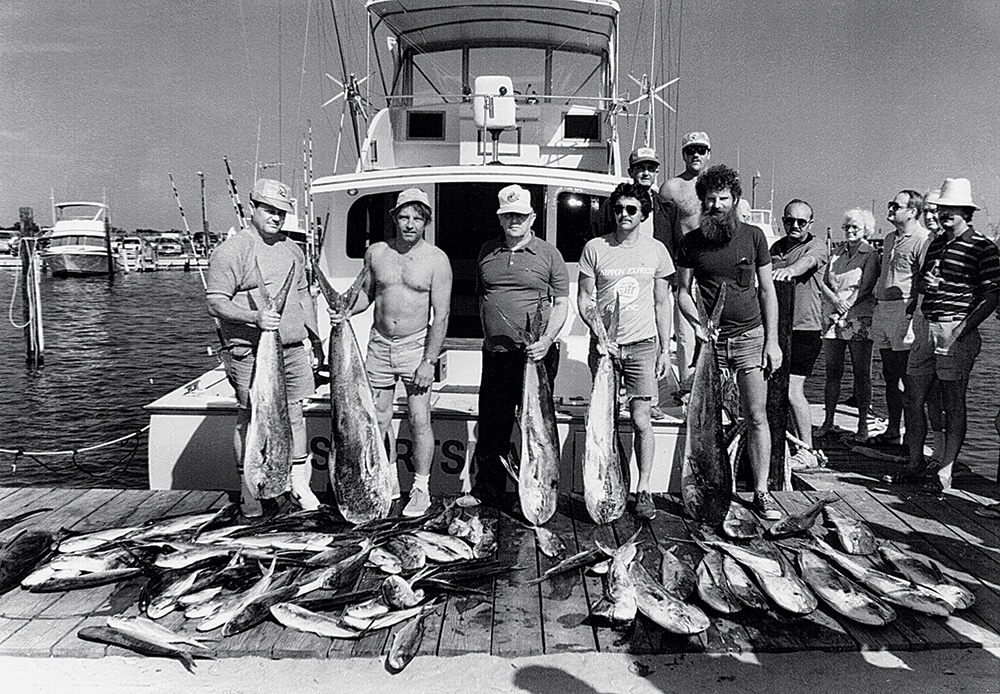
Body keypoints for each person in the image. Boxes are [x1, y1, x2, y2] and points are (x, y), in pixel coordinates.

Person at [331, 189, 453, 517]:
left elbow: (440, 316)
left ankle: (421, 489)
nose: (410, 224)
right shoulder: (377, 253)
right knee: (377, 419)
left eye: (417, 218)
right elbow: (366, 295)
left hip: (416, 347)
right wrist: (344, 312)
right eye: (404, 217)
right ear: (394, 218)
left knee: (418, 419)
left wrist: (429, 360)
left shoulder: (437, 260)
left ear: (426, 221)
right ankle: (384, 481)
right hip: (379, 346)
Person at [206, 178, 324, 516]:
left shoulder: (293, 250)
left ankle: (299, 484)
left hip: (290, 348)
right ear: (252, 208)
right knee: (250, 418)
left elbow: (302, 296)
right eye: (269, 210)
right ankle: (250, 492)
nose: (276, 217)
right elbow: (215, 302)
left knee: (296, 414)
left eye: (282, 212)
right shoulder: (232, 250)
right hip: (249, 350)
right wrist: (254, 317)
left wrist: (314, 338)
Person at [676, 165, 783, 520]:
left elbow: (767, 291)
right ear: (703, 202)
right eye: (711, 199)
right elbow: (682, 294)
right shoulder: (690, 242)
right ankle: (710, 487)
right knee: (707, 422)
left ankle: (762, 491)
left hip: (751, 338)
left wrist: (773, 342)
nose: (717, 205)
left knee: (756, 417)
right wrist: (699, 325)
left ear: (735, 200)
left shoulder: (753, 237)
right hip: (712, 344)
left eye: (724, 199)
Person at [578, 182, 674, 520]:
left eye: (631, 209)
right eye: (618, 209)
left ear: (643, 213)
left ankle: (643, 489)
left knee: (641, 419)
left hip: (643, 345)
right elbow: (584, 299)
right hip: (605, 348)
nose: (623, 215)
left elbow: (663, 303)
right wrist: (597, 332)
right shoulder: (595, 248)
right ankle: (607, 484)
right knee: (603, 420)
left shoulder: (657, 251)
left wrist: (665, 349)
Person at [470, 184, 569, 506]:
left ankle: (537, 492)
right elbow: (483, 296)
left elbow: (561, 303)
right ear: (500, 219)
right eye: (508, 215)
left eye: (521, 215)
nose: (515, 220)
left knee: (536, 426)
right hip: (496, 355)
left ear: (532, 217)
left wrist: (546, 340)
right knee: (492, 426)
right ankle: (487, 492)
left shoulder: (549, 254)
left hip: (536, 356)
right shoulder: (487, 251)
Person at [900, 177, 1000, 491]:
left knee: (953, 403)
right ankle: (915, 462)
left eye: (952, 209)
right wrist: (923, 286)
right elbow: (921, 286)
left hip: (956, 330)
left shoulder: (982, 247)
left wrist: (961, 329)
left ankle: (945, 471)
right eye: (942, 208)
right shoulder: (936, 243)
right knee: (912, 398)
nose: (945, 214)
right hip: (927, 326)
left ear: (966, 212)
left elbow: (993, 296)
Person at [594, 147, 679, 420]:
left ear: (656, 172)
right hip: (618, 285)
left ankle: (650, 400)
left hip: (654, 280)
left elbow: (675, 244)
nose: (646, 172)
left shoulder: (667, 207)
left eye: (651, 168)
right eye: (640, 167)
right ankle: (619, 400)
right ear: (631, 171)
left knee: (652, 342)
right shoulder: (613, 204)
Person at [770, 199, 829, 470]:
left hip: (805, 330)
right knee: (774, 390)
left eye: (801, 222)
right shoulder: (776, 248)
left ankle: (808, 449)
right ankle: (785, 443)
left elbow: (806, 263)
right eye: (789, 220)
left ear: (810, 224)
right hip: (776, 330)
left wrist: (788, 272)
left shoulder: (816, 246)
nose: (795, 226)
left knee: (794, 390)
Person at [867, 190, 929, 446]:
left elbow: (923, 280)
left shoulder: (922, 240)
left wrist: (913, 312)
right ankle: (893, 430)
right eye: (890, 204)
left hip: (904, 312)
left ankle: (910, 438)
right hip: (883, 310)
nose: (891, 209)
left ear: (913, 211)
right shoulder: (891, 238)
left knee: (906, 377)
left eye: (897, 205)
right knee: (890, 374)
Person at [816, 209, 880, 442]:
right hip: (833, 318)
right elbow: (822, 281)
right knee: (833, 372)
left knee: (862, 373)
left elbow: (867, 286)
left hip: (859, 318)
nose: (850, 231)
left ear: (866, 230)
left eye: (855, 227)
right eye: (847, 227)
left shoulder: (870, 254)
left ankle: (863, 425)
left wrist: (847, 306)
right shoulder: (836, 253)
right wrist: (836, 302)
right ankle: (828, 421)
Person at [661, 132, 712, 395]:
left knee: (717, 330)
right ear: (683, 154)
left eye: (701, 150)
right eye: (691, 150)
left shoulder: (717, 187)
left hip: (714, 267)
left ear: (708, 154)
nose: (696, 154)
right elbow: (663, 231)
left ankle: (717, 389)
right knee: (685, 332)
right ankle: (688, 388)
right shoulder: (671, 188)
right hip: (685, 268)